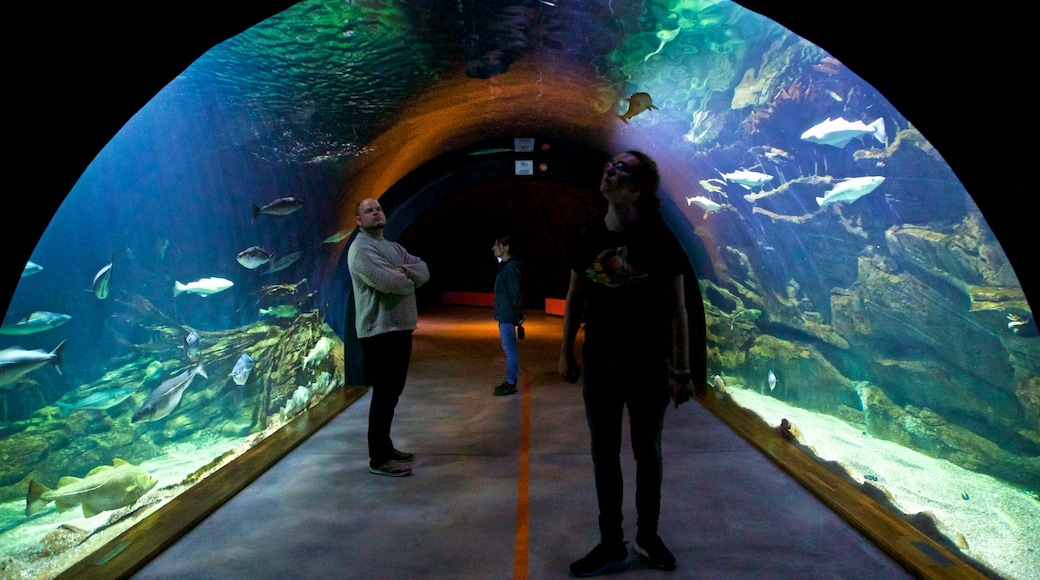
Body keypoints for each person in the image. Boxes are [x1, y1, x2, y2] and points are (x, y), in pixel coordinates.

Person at [558, 151, 696, 576]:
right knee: (604, 454)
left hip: (648, 364)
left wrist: (682, 370)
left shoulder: (659, 237)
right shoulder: (586, 235)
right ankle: (612, 543)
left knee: (647, 452)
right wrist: (565, 352)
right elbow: (575, 296)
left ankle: (647, 534)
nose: (610, 169)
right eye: (610, 164)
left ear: (637, 188)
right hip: (600, 362)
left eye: (622, 168)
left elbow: (678, 308)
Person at [348, 197, 430, 477]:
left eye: (378, 208)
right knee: (383, 395)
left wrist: (405, 271)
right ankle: (379, 459)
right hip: (380, 332)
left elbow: (424, 270)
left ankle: (386, 445)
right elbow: (388, 282)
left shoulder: (393, 247)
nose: (375, 212)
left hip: (400, 329)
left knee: (392, 393)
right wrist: (408, 280)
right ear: (359, 221)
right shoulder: (360, 249)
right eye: (368, 211)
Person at [491, 234, 524, 396]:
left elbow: (514, 293)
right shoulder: (505, 266)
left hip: (507, 315)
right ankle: (510, 381)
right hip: (504, 314)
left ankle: (511, 383)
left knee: (510, 350)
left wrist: (518, 316)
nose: (493, 248)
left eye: (497, 245)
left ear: (506, 248)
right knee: (508, 348)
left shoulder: (510, 268)